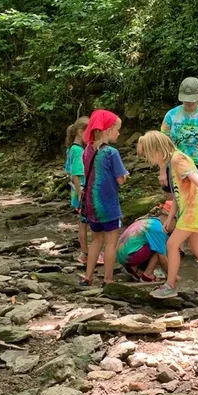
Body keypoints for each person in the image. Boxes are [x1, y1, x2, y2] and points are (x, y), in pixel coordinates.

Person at [137, 131, 198, 299]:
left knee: (171, 245)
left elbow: (193, 176)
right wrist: (170, 217)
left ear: (157, 148)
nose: (152, 161)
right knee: (197, 248)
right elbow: (178, 194)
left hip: (194, 210)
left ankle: (169, 285)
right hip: (196, 209)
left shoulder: (177, 159)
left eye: (150, 156)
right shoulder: (172, 162)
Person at [80, 110, 129, 286]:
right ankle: (108, 279)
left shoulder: (87, 150)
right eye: (117, 129)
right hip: (108, 204)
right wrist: (126, 175)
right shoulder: (111, 152)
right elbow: (121, 180)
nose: (118, 133)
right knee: (110, 242)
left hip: (92, 204)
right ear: (108, 130)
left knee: (96, 240)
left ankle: (88, 277)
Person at [160, 77, 198, 189]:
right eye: (185, 98)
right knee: (173, 201)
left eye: (191, 98)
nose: (188, 102)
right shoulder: (171, 115)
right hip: (174, 165)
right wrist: (163, 172)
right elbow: (164, 146)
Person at [64, 116, 90, 263]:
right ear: (81, 132)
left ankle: (85, 253)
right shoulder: (77, 150)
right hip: (82, 192)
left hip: (79, 191)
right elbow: (76, 173)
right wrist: (81, 195)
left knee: (83, 222)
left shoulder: (72, 149)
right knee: (85, 223)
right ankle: (85, 253)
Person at [117, 215, 169, 282]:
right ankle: (148, 274)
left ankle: (132, 268)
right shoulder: (159, 229)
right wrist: (171, 275)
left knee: (151, 242)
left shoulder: (151, 220)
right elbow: (162, 257)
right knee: (160, 248)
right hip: (131, 257)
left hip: (121, 255)